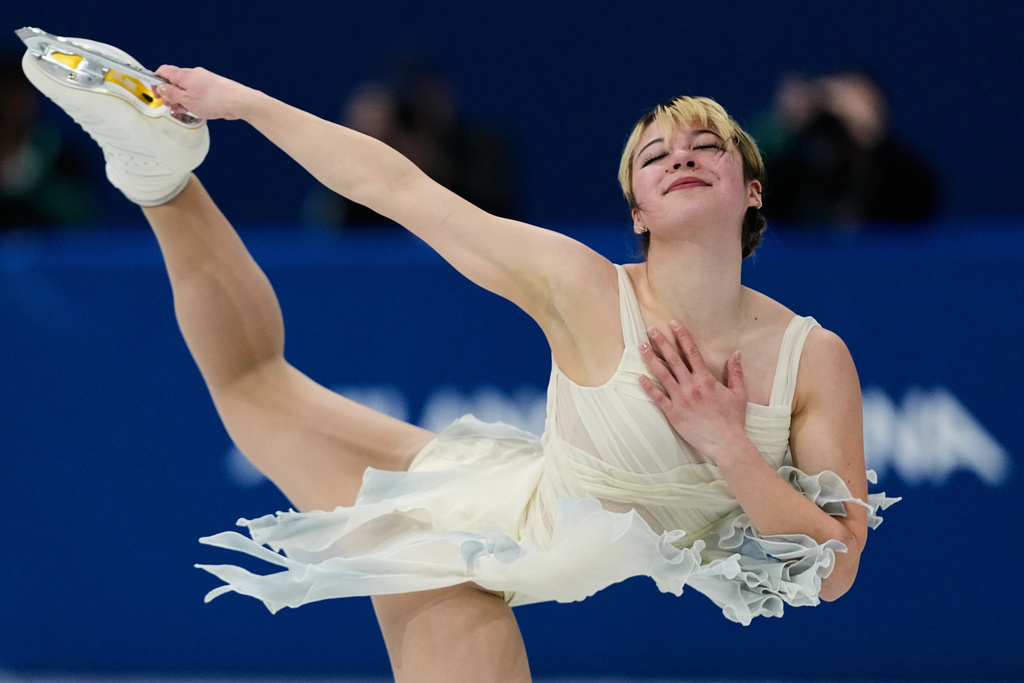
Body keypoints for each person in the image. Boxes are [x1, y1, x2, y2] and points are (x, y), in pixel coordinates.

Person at [22, 34, 895, 683]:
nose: (682, 157)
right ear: (636, 208)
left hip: (520, 502)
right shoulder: (583, 287)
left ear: (751, 188)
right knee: (253, 386)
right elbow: (400, 189)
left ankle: (160, 178)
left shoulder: (810, 359)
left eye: (709, 146)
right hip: (465, 539)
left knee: (260, 386)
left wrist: (727, 442)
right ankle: (160, 172)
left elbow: (837, 570)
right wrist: (242, 101)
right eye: (656, 153)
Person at [753, 69, 940, 229]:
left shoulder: (900, 182)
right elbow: (751, 190)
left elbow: (920, 198)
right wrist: (782, 127)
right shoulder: (797, 175)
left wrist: (871, 135)